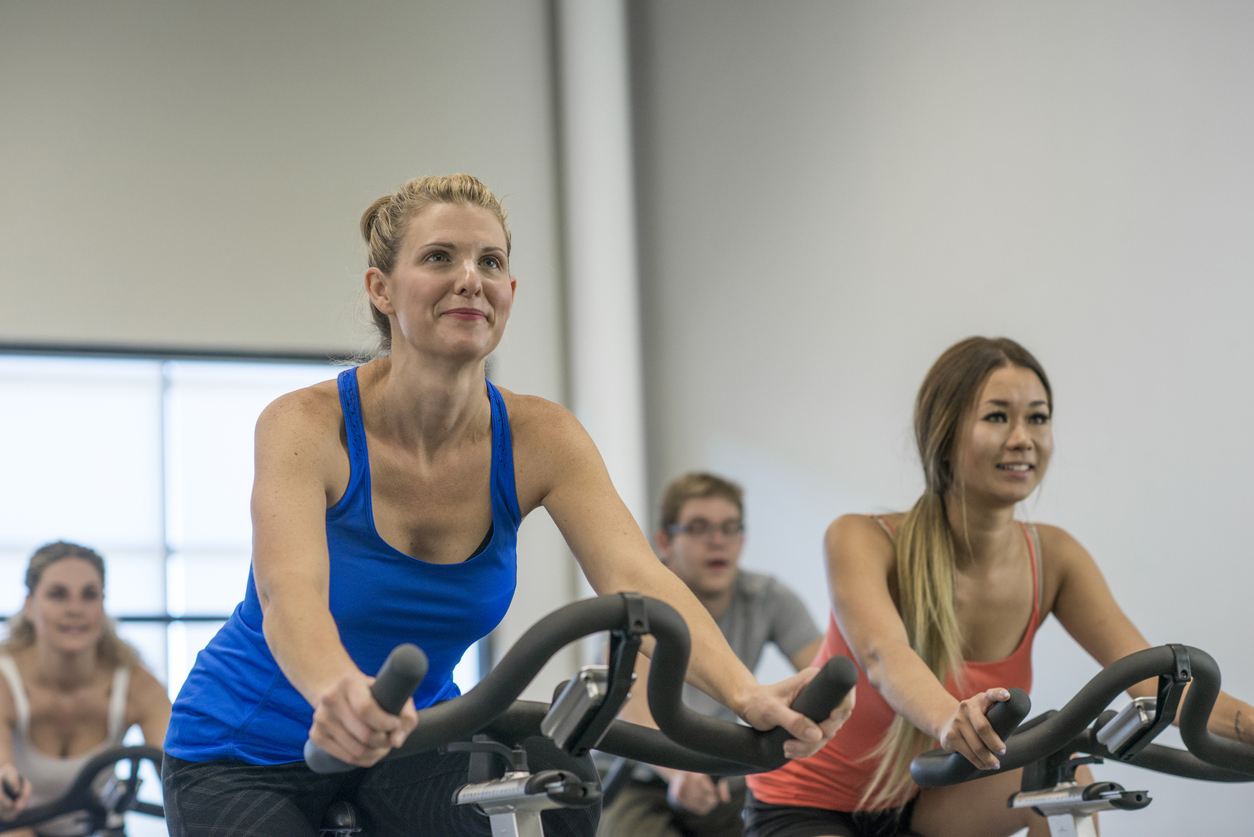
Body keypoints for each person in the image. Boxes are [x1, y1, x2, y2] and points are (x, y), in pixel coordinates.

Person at [160, 175, 853, 837]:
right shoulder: (306, 425)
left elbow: (638, 577)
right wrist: (339, 690)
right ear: (382, 289)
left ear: (509, 292)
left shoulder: (538, 436)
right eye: (439, 257)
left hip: (412, 738)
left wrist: (744, 695)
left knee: (558, 792)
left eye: (489, 261)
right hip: (245, 748)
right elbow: (291, 594)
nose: (470, 277)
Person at [743, 336, 1254, 837]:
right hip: (807, 804)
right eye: (996, 416)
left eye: (1037, 417)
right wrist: (949, 718)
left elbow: (1150, 678)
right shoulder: (861, 538)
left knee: (1062, 777)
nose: (1022, 438)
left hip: (929, 799)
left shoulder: (1054, 557)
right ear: (944, 433)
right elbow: (883, 656)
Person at [598, 472, 824, 837]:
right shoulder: (637, 601)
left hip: (718, 769)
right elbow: (634, 708)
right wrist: (679, 773)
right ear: (665, 541)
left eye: (730, 528)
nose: (718, 542)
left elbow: (823, 672)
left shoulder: (767, 598)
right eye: (699, 528)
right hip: (636, 772)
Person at [0, 542, 171, 837]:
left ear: (103, 605)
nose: (75, 609)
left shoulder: (138, 686)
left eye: (89, 595)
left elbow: (180, 776)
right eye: (58, 594)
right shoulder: (5, 680)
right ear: (29, 606)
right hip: (17, 828)